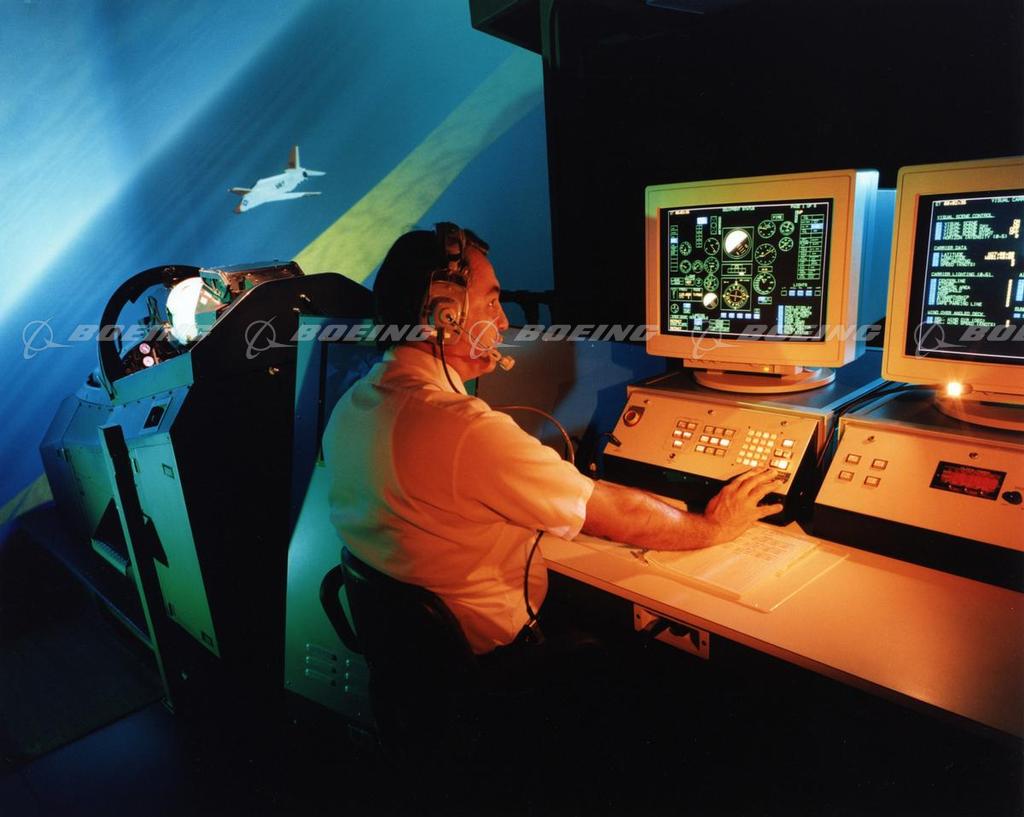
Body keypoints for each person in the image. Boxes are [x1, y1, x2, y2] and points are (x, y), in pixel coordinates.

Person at [322, 222, 783, 657]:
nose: (503, 323)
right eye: (491, 304)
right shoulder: (464, 429)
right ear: (445, 316)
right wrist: (714, 526)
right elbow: (618, 516)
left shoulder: (354, 405)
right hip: (498, 660)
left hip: (414, 662)